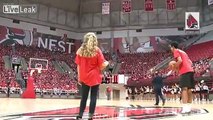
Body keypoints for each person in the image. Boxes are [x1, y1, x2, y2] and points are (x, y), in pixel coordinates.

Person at [75, 32, 109, 120]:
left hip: (84, 76)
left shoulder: (80, 50)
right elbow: (101, 65)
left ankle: (80, 115)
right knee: (93, 97)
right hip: (94, 76)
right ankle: (90, 116)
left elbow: (78, 65)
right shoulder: (97, 50)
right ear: (94, 40)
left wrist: (79, 77)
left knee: (84, 97)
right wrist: (107, 63)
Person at [169, 42, 195, 113]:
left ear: (173, 47)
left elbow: (180, 61)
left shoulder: (176, 51)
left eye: (171, 47)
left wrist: (175, 67)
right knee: (189, 90)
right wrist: (178, 69)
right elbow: (190, 62)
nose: (171, 49)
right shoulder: (184, 52)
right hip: (190, 70)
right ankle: (189, 107)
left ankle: (185, 108)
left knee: (184, 89)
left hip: (185, 71)